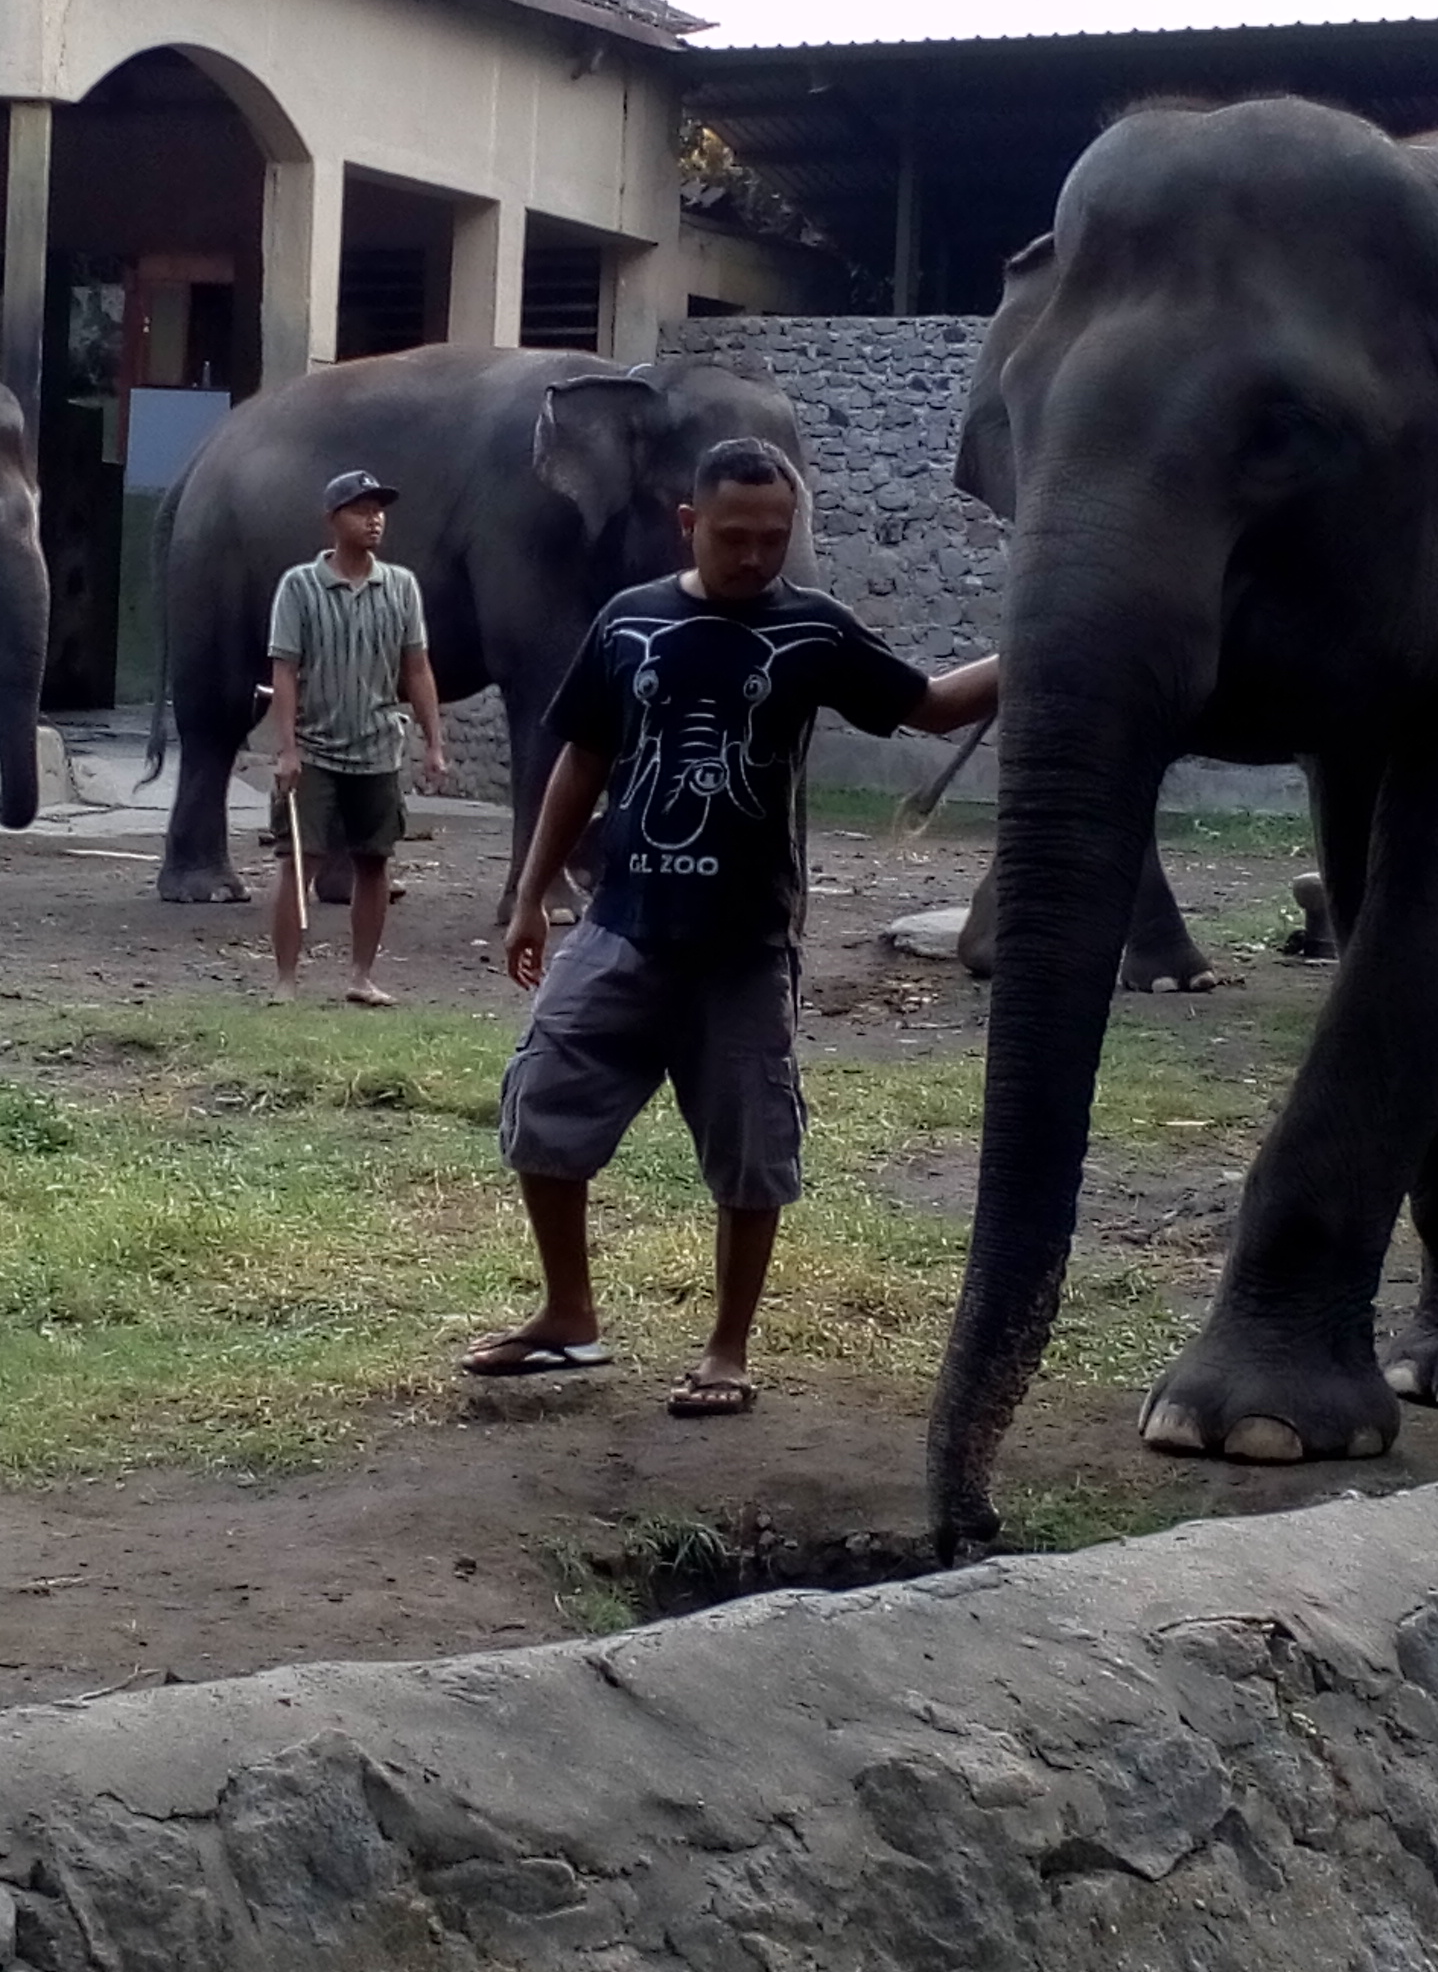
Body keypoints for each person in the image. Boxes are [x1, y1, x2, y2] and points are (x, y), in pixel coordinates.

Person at [464, 437, 996, 1416]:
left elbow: (930, 706)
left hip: (745, 946)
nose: (755, 557)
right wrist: (531, 893)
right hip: (621, 924)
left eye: (773, 538)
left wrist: (1043, 638)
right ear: (688, 524)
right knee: (542, 1102)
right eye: (734, 536)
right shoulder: (629, 622)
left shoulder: (813, 631)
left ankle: (727, 1347)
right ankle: (567, 1315)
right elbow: (580, 760)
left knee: (752, 1149)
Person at [267, 467, 445, 1005]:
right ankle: (284, 980)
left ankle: (361, 977)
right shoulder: (299, 586)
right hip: (316, 748)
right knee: (299, 860)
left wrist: (434, 742)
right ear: (333, 519)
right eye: (362, 509)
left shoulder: (401, 586)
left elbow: (416, 668)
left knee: (375, 861)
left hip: (377, 745)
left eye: (380, 510)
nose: (375, 519)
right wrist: (288, 748)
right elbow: (285, 670)